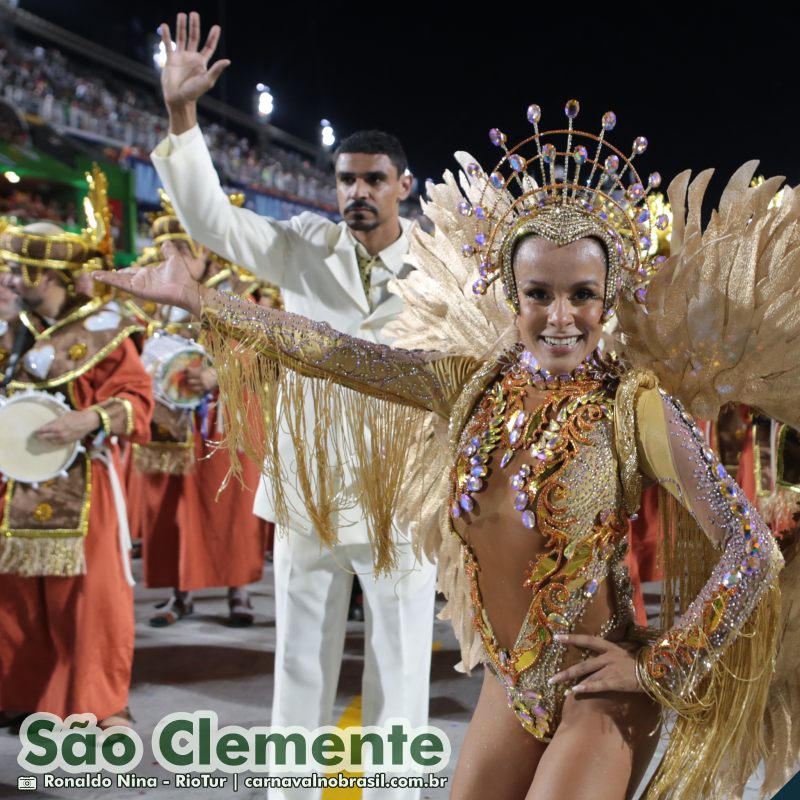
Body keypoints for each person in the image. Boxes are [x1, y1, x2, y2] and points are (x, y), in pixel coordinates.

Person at [99, 100, 800, 799]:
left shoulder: (636, 406)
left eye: (583, 294)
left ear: (610, 294)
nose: (561, 317)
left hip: (599, 694)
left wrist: (659, 667)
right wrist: (201, 301)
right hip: (512, 684)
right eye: (539, 294)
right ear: (509, 294)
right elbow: (334, 352)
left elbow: (750, 547)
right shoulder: (471, 385)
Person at [147, 13, 437, 797]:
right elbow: (211, 222)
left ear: (403, 186)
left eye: (373, 179)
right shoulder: (304, 244)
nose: (357, 193)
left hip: (402, 497)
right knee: (300, 659)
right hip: (309, 486)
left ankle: (393, 791)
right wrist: (182, 116)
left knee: (402, 662)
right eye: (346, 179)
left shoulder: (445, 267)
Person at [0, 170, 153, 729]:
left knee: (89, 603)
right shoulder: (11, 331)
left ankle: (102, 703)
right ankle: (27, 695)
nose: (13, 280)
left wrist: (88, 417)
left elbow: (139, 401)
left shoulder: (106, 329)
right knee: (17, 600)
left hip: (83, 484)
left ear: (50, 274)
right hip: (14, 485)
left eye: (22, 271)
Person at [125, 191, 272, 626]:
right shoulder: (157, 302)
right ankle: (179, 593)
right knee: (173, 511)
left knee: (230, 508)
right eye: (164, 251)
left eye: (180, 251)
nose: (168, 260)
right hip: (172, 423)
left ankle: (238, 591)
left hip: (226, 418)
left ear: (202, 252)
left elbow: (264, 353)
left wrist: (217, 376)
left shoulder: (240, 296)